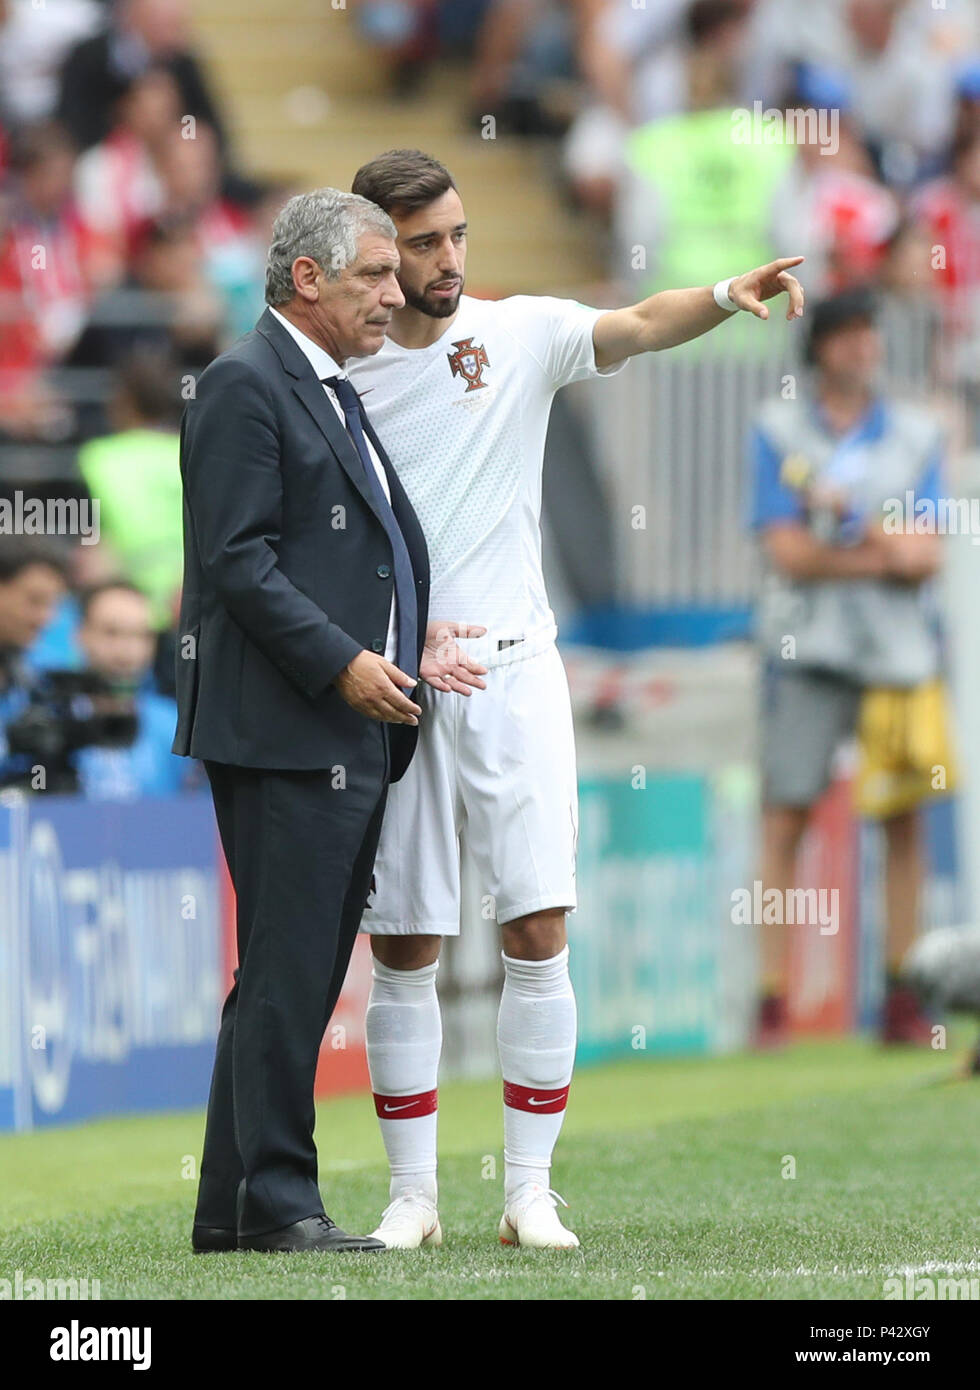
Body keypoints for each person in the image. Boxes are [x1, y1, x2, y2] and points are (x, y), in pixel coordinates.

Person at [347, 147, 805, 1250]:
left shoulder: (515, 334)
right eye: (422, 243)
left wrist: (719, 296)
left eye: (456, 234)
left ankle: (527, 1193)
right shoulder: (338, 377)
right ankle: (411, 1196)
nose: (448, 258)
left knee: (536, 924)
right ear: (376, 251)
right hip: (400, 682)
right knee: (403, 941)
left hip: (513, 668)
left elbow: (637, 324)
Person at [173, 187, 485, 1255]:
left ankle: (229, 1204)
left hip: (339, 718)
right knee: (289, 968)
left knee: (282, 969)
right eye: (373, 277)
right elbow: (237, 563)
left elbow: (351, 554)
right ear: (306, 278)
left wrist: (409, 642)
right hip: (283, 724)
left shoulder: (328, 388)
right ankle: (280, 1205)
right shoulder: (242, 385)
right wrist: (345, 661)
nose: (394, 296)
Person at [748, 287, 955, 1047]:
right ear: (823, 347)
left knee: (901, 819)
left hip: (898, 653)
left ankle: (905, 991)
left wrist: (862, 550)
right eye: (849, 335)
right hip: (805, 646)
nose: (863, 347)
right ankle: (772, 1000)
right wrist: (881, 552)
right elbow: (787, 552)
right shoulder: (779, 430)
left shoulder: (917, 431)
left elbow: (927, 553)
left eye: (871, 333)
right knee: (786, 813)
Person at [74, 580, 190, 800]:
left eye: (141, 635)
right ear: (80, 634)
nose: (127, 651)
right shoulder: (52, 719)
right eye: (111, 633)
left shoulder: (176, 727)